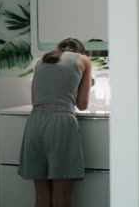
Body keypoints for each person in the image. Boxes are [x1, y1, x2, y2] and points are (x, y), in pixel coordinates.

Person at [18, 38, 92, 207]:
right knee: (62, 197)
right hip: (61, 124)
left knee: (41, 198)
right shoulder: (84, 60)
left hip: (34, 123)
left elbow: (34, 100)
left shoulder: (42, 60)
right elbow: (82, 105)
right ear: (81, 51)